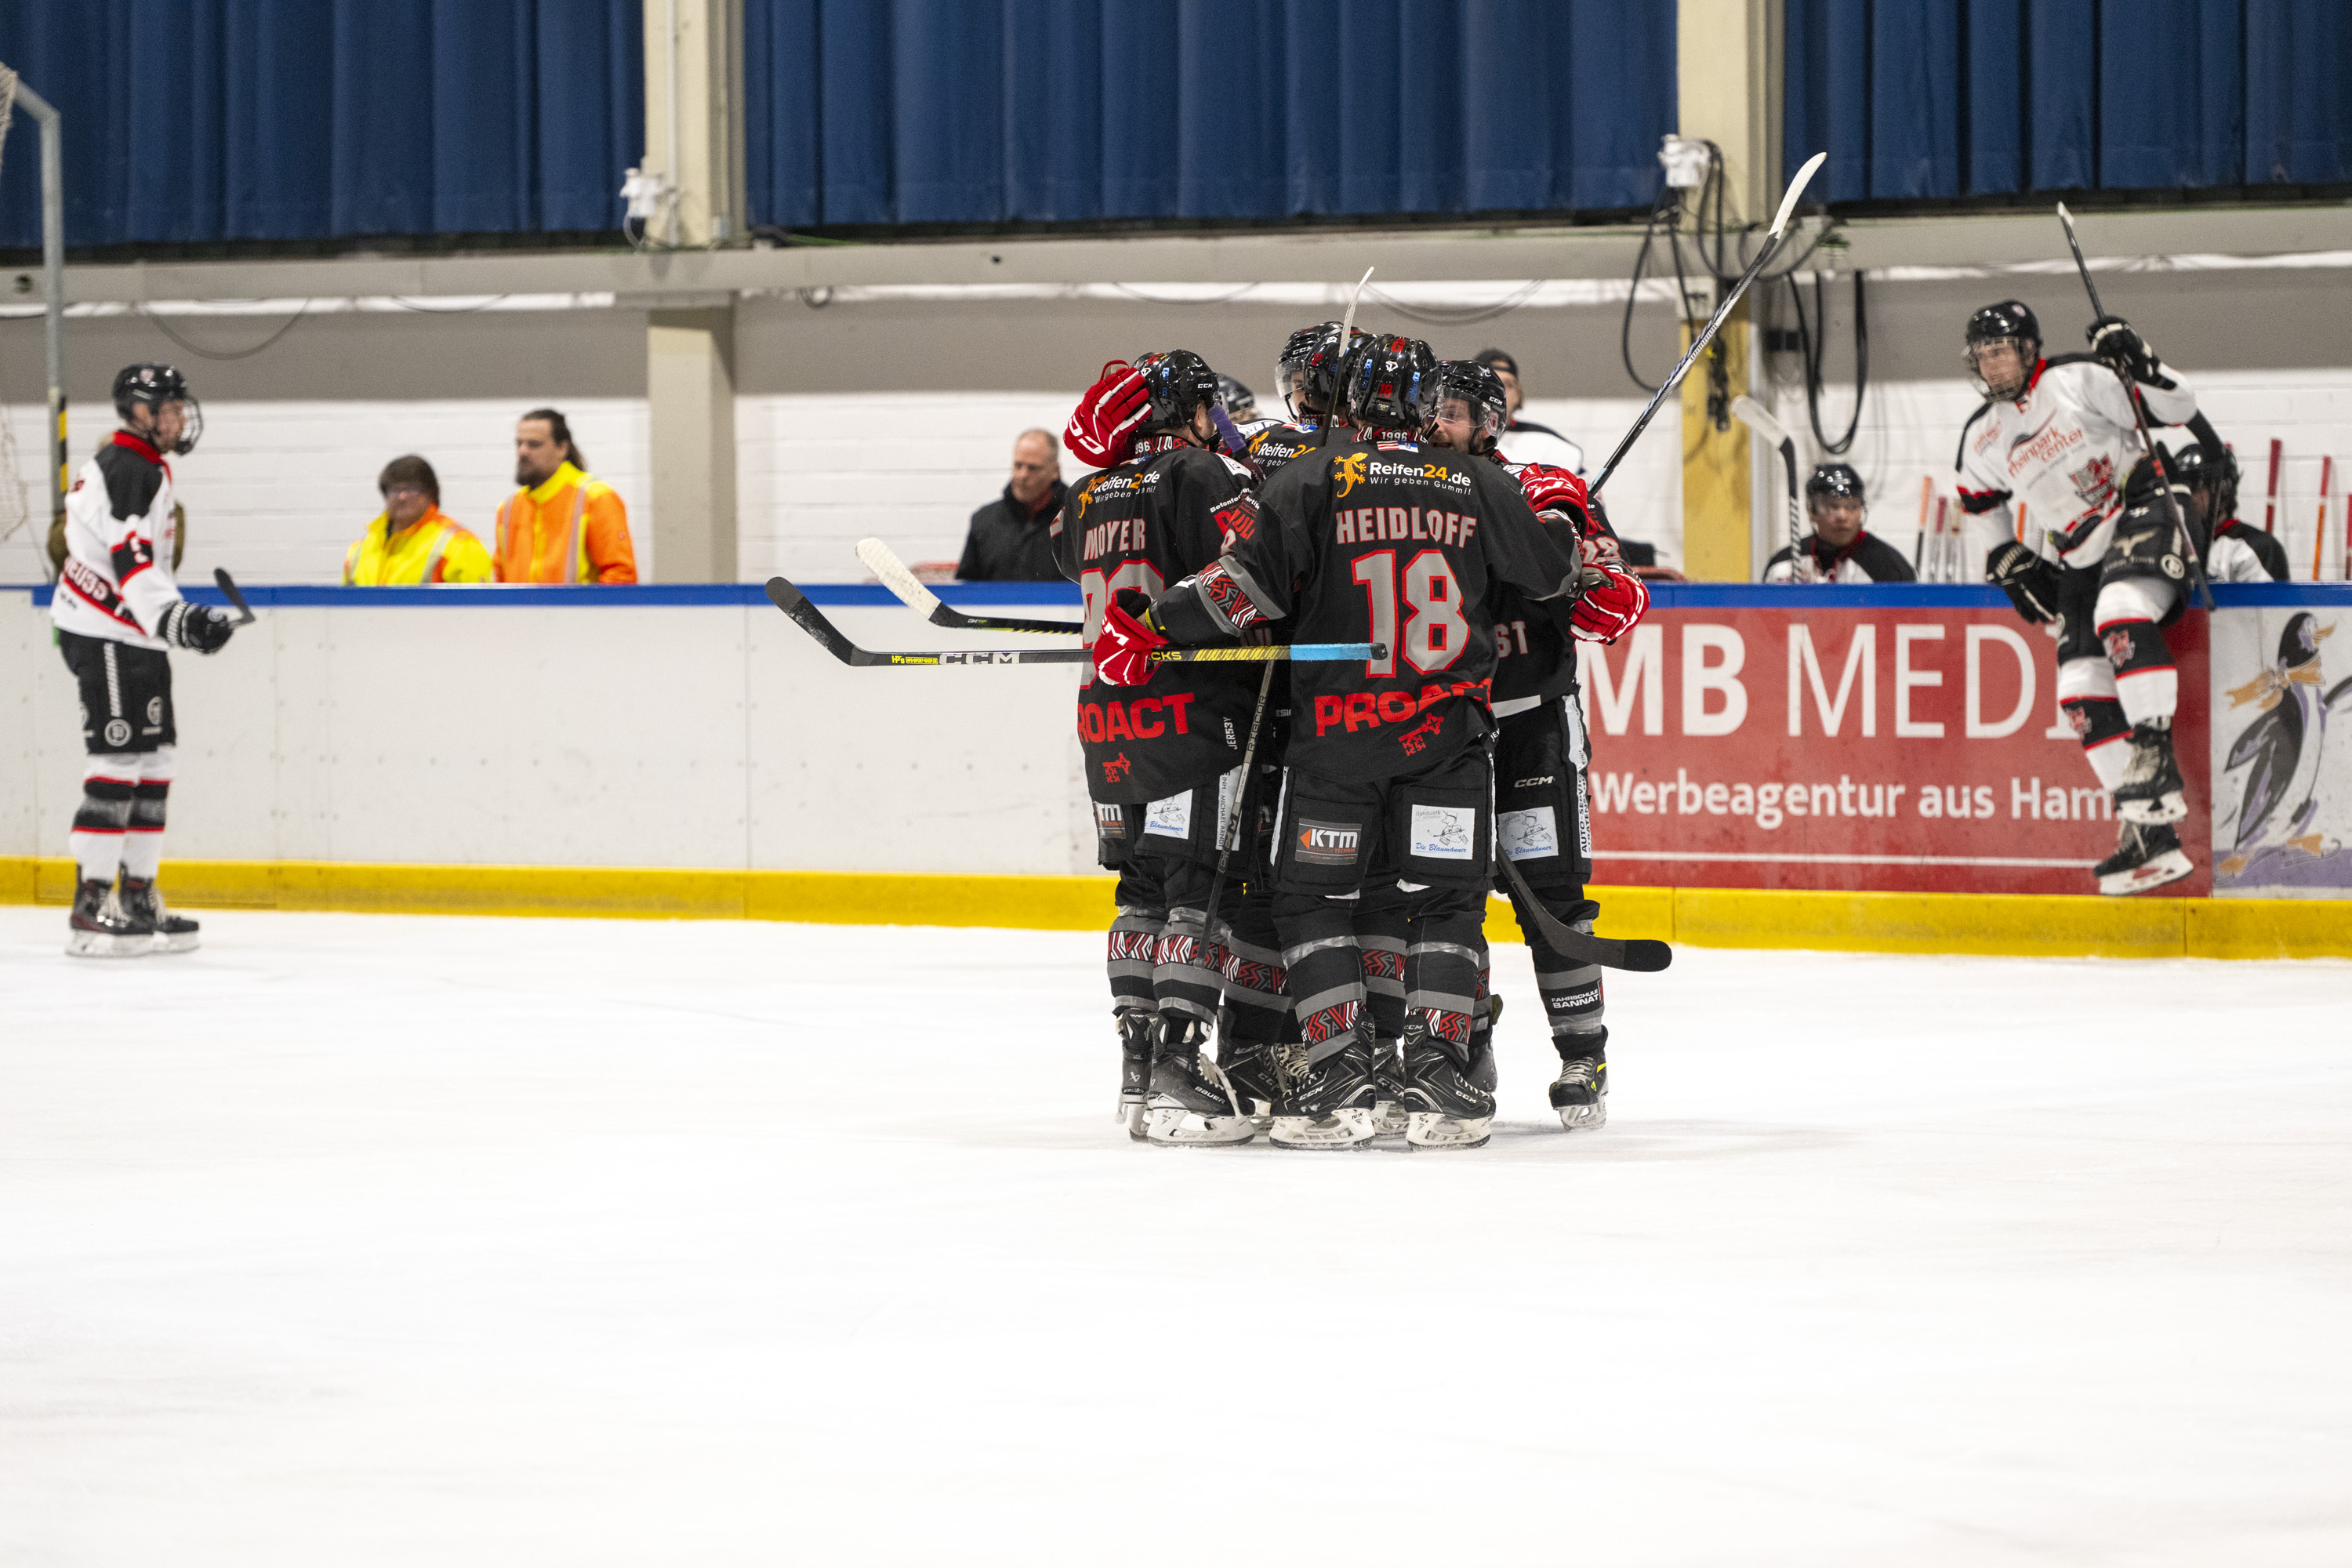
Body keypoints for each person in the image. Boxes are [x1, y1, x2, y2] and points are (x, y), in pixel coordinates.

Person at [1093, 335, 1592, 1152]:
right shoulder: (1476, 480)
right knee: (1446, 899)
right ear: (1428, 407)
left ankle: (1338, 1070)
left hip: (1337, 741)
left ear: (1346, 400)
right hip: (1446, 739)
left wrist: (1150, 625)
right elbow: (1547, 571)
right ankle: (1437, 1071)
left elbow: (1236, 591)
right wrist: (1569, 523)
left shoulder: (1312, 477)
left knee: (1310, 897)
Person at [1053, 350, 1276, 1148]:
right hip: (1188, 714)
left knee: (1139, 887)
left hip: (1106, 716)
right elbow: (1252, 569)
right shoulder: (1198, 471)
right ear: (1192, 409)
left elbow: (1072, 561)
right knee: (1196, 884)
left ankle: (1138, 1065)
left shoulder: (1083, 495)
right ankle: (1184, 1064)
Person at [1421, 358, 1648, 1132]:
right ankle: (1461, 1045)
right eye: (1428, 410)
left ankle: (1583, 1052)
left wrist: (1577, 571)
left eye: (1450, 412)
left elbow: (1622, 610)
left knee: (1552, 899)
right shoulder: (1406, 495)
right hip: (1441, 733)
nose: (1434, 425)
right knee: (1443, 902)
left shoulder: (1549, 489)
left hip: (1532, 730)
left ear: (1489, 421)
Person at [1955, 299, 2202, 895]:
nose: (1995, 363)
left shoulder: (2077, 380)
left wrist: (2141, 362)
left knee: (2121, 609)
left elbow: (2179, 407)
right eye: (1985, 354)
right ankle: (2148, 831)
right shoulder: (1983, 435)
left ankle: (2154, 750)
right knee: (2077, 692)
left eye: (2004, 349)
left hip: (2144, 505)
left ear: (2030, 349)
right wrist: (2003, 559)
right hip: (2080, 551)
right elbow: (1978, 502)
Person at [50, 365, 238, 956]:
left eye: (181, 406)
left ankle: (136, 894)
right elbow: (131, 563)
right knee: (118, 757)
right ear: (138, 411)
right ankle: (91, 904)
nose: (180, 417)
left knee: (155, 759)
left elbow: (140, 567)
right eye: (170, 407)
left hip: (132, 634)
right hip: (106, 633)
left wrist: (172, 621)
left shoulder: (141, 466)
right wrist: (181, 619)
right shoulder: (129, 468)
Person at [495, 409, 637, 584]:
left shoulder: (596, 498)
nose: (523, 451)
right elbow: (500, 580)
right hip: (519, 611)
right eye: (519, 443)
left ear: (562, 448)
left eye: (534, 444)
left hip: (579, 611)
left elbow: (620, 576)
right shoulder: (509, 508)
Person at [343, 456, 492, 586]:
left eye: (412, 489)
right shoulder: (361, 548)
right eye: (394, 489)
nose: (402, 496)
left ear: (431, 494)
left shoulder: (460, 545)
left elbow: (479, 612)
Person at [1762, 464, 1918, 583]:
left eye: (1852, 507)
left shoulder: (1888, 567)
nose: (1842, 516)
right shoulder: (1783, 565)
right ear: (1811, 511)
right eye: (1832, 506)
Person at [956, 429, 1067, 582]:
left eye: (1033, 468)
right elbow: (965, 594)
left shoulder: (1079, 519)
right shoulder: (984, 522)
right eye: (1018, 465)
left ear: (1055, 471)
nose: (1023, 475)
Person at [2173, 441, 2291, 583]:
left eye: (2195, 488)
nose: (2186, 498)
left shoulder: (2259, 547)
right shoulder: (2175, 544)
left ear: (2223, 490)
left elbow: (2269, 603)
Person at [1473, 347, 1587, 473]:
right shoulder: (1450, 436)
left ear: (1518, 395)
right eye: (1490, 383)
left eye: (1508, 385)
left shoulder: (1554, 448)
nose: (1499, 391)